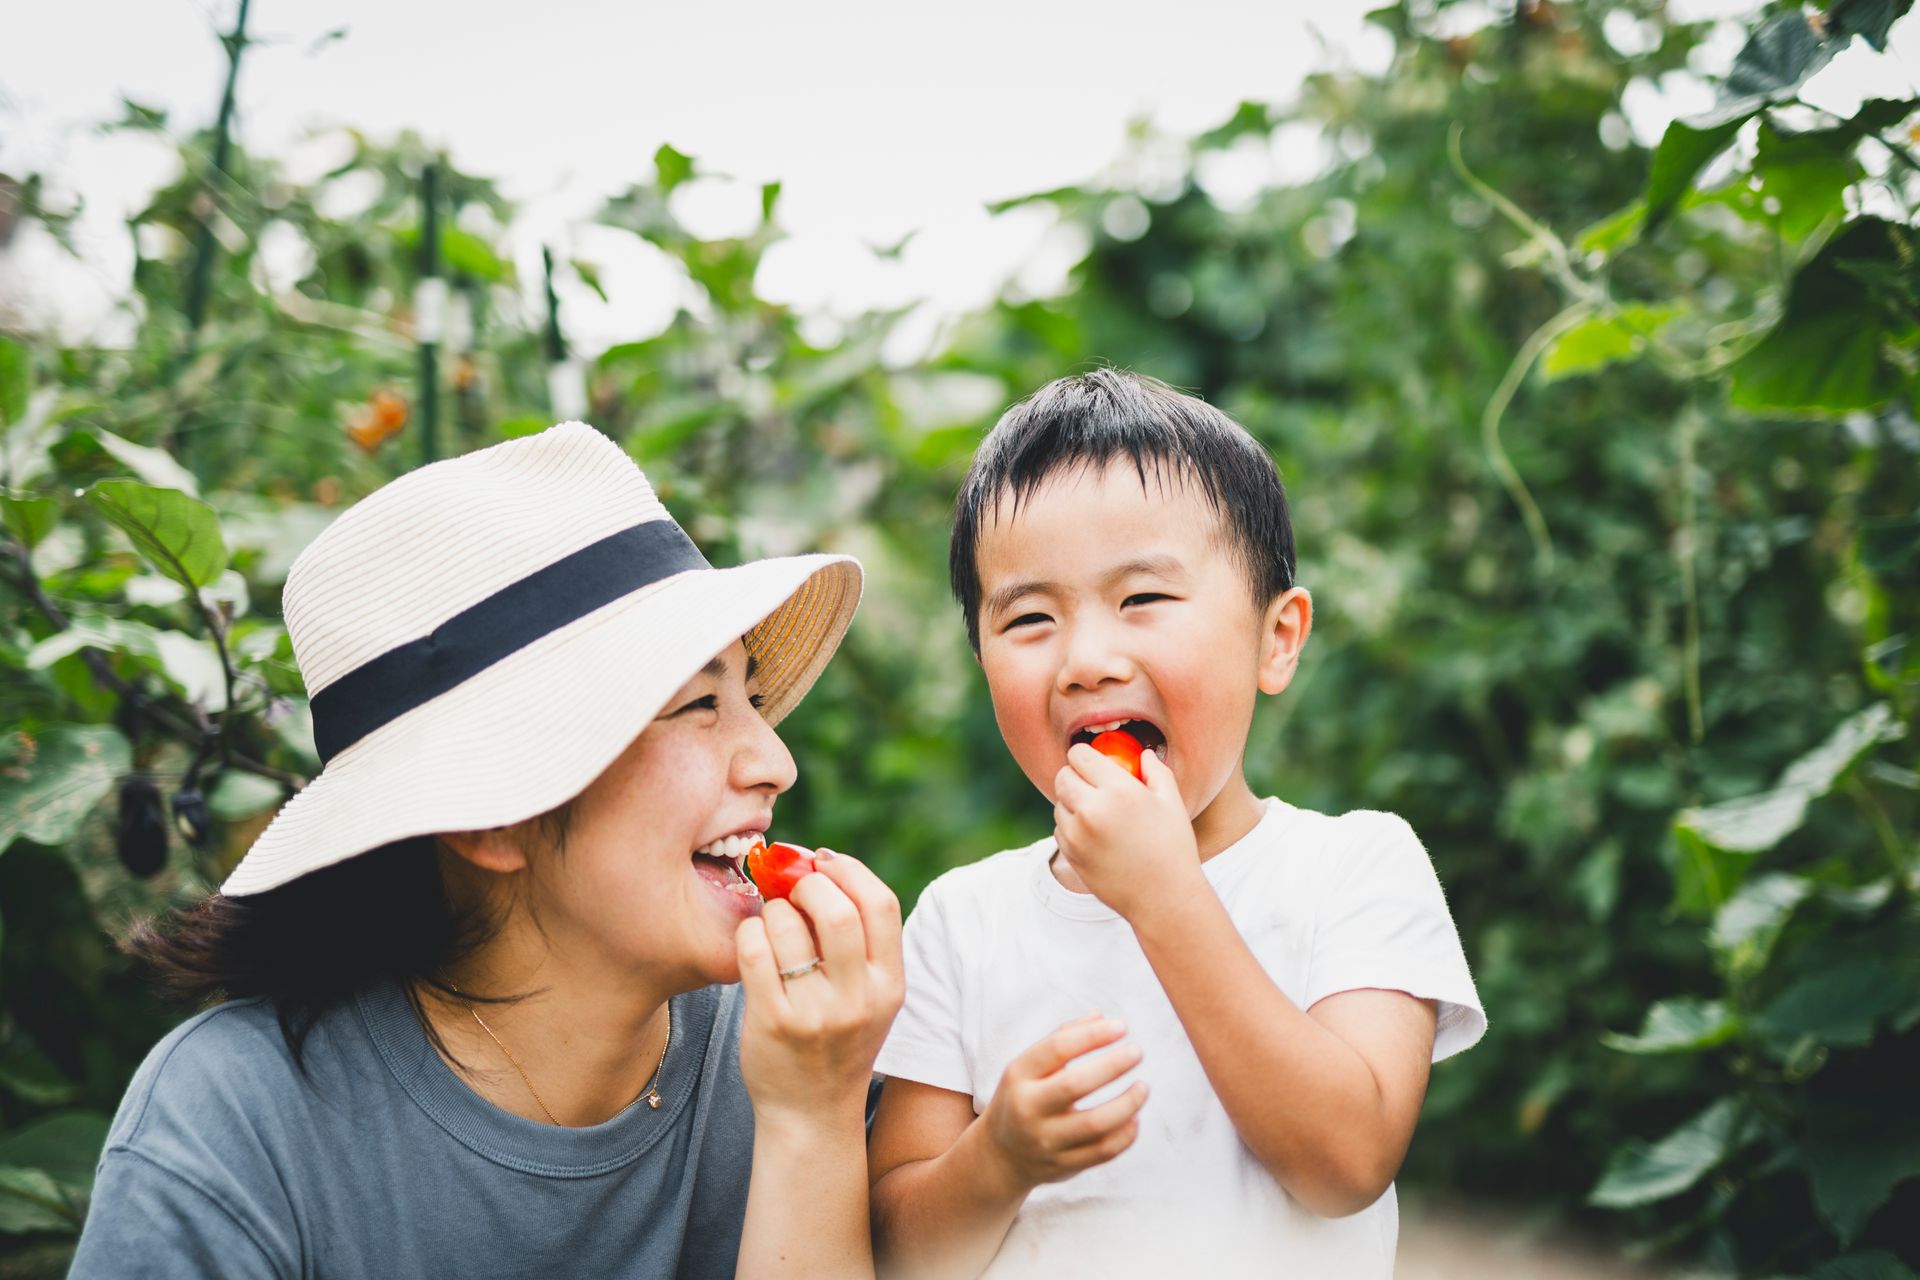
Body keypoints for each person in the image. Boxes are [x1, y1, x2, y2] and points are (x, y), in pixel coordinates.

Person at [70, 422, 903, 1279]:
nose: (776, 761)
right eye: (696, 703)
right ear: (491, 817)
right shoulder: (234, 1130)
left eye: (752, 694)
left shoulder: (804, 1051)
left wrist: (815, 1120)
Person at [867, 370, 1485, 1278]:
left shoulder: (1354, 865)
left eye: (1143, 599)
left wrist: (1165, 896)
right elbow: (899, 1254)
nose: (1086, 660)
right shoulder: (962, 923)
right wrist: (997, 1157)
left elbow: (1348, 1161)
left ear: (1276, 639)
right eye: (1030, 617)